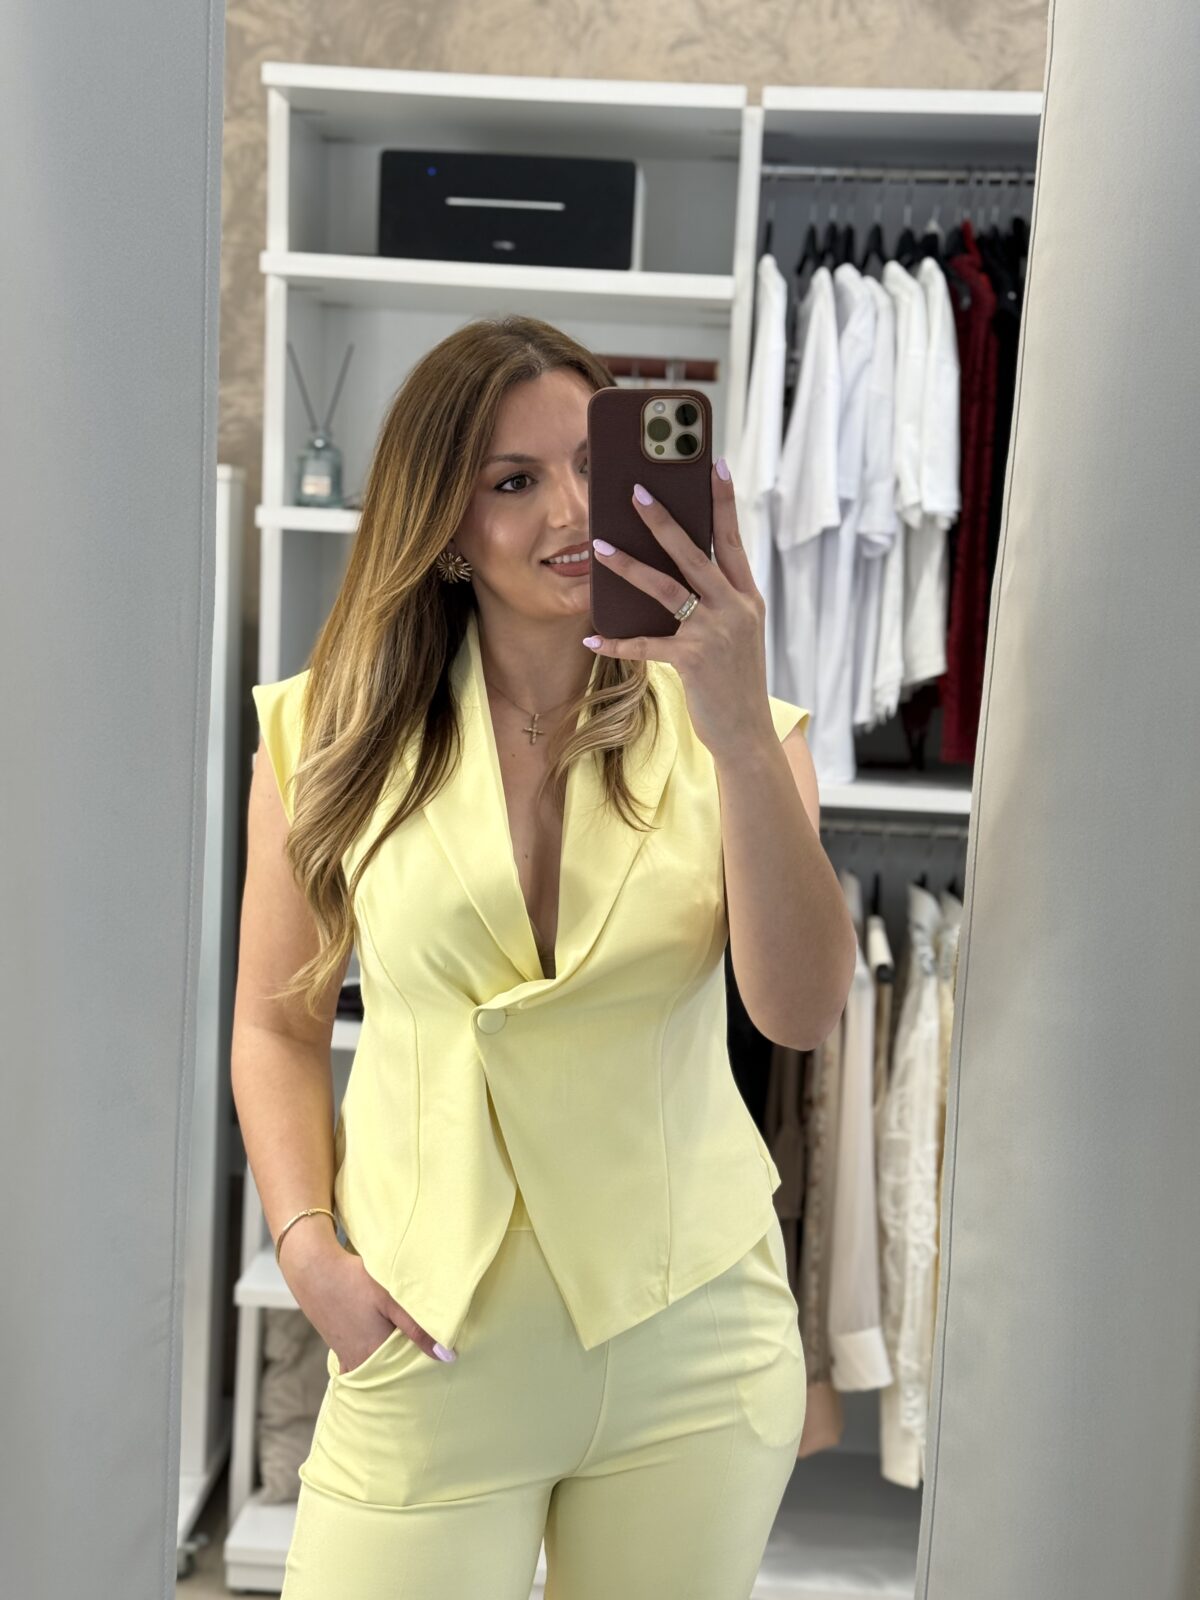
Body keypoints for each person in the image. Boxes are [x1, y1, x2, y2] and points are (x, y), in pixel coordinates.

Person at [232, 314, 858, 1599]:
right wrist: (306, 1252)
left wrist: (738, 728)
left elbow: (797, 1012)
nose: (572, 510)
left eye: (591, 463)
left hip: (691, 1342)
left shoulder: (744, 729)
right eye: (514, 481)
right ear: (442, 528)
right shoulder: (324, 731)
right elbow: (276, 1024)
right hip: (428, 1334)